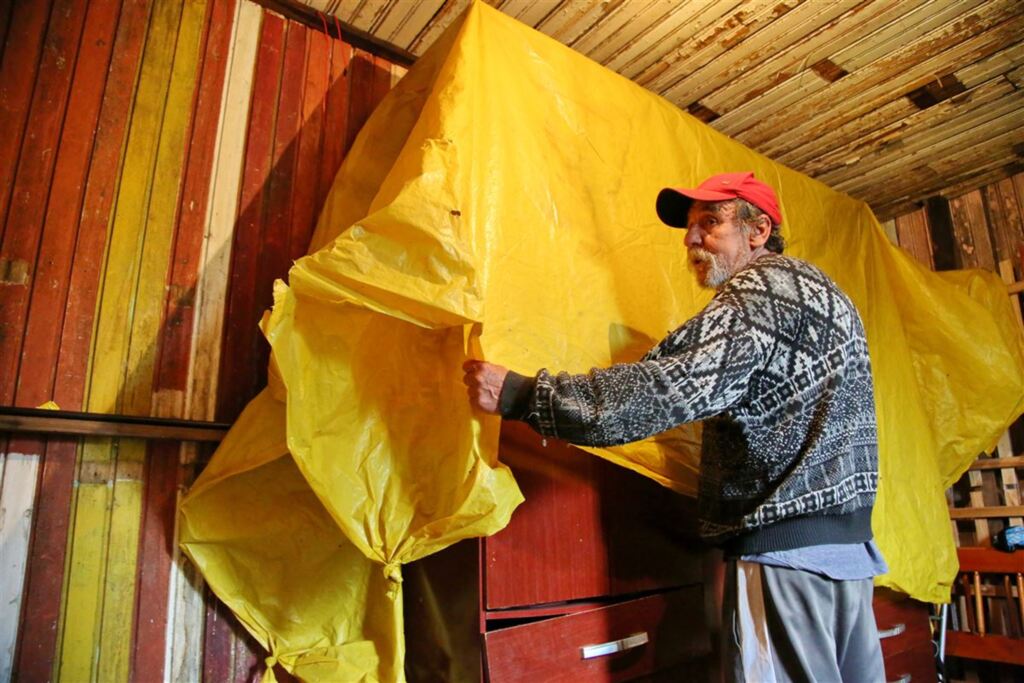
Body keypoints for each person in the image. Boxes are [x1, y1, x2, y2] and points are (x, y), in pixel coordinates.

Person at [462, 172, 888, 682]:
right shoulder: (826, 292)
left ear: (758, 232)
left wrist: (522, 394)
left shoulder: (758, 294)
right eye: (689, 227)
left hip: (787, 560)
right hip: (850, 557)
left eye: (710, 222)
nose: (690, 239)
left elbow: (662, 391)